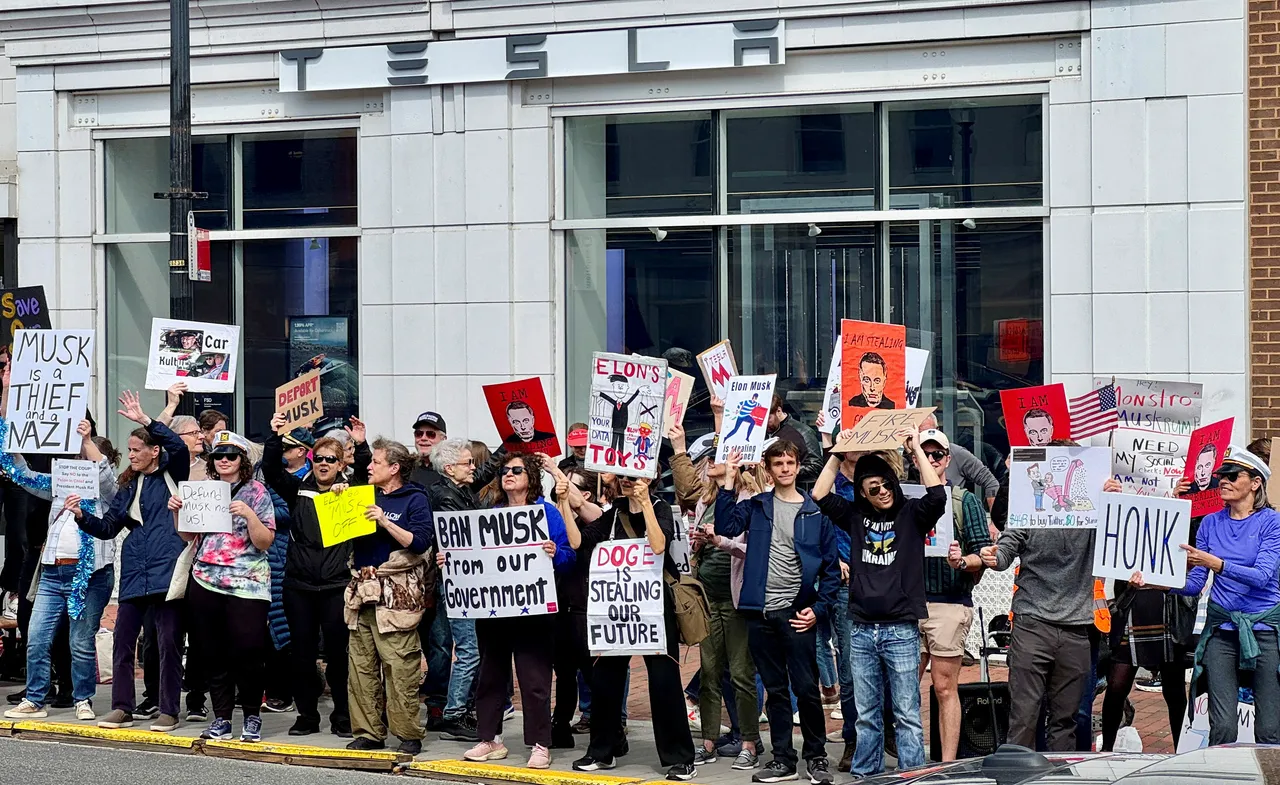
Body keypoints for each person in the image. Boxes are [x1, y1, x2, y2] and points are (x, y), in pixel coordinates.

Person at [812, 427, 946, 777]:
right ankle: (864, 776)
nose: (883, 492)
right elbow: (819, 493)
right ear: (863, 493)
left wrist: (916, 449)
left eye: (887, 484)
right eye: (874, 488)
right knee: (866, 713)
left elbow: (937, 495)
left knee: (906, 714)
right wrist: (839, 453)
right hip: (861, 629)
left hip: (900, 628)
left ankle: (912, 777)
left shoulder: (911, 514)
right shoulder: (855, 516)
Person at [1132, 444, 1280, 745]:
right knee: (1222, 725)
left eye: (1232, 475)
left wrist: (1215, 563)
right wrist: (1157, 582)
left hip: (1264, 630)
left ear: (1255, 483)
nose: (1222, 480)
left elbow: (1262, 577)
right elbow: (1195, 584)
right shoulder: (1211, 522)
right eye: (1221, 475)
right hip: (1222, 630)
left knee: (1269, 728)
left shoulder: (1271, 522)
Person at [716, 440, 840, 784]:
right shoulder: (757, 506)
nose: (785, 468)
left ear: (798, 466)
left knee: (805, 688)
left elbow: (831, 571)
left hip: (798, 613)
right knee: (775, 690)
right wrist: (729, 479)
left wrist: (817, 608)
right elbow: (726, 526)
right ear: (768, 470)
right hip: (761, 612)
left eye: (790, 462)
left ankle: (816, 756)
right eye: (778, 463)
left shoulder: (815, 513)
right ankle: (782, 758)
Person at [69, 391, 190, 731]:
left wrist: (147, 419)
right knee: (123, 642)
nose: (132, 455)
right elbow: (109, 528)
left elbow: (178, 448)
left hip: (168, 571)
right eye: (131, 450)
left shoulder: (172, 471)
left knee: (167, 644)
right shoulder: (129, 485)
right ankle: (122, 706)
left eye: (138, 450)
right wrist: (81, 515)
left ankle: (169, 710)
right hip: (135, 572)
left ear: (155, 452)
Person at [570, 474, 696, 782]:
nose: (627, 481)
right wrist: (563, 501)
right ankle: (602, 750)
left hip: (653, 610)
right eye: (623, 477)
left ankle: (680, 758)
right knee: (605, 680)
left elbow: (658, 545)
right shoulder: (613, 514)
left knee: (664, 682)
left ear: (649, 478)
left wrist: (644, 504)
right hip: (616, 612)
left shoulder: (661, 508)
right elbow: (577, 541)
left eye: (634, 477)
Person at [457, 453, 575, 768]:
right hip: (494, 610)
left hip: (534, 610)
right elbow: (471, 557)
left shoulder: (546, 513)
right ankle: (490, 739)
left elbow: (568, 556)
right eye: (505, 470)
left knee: (534, 678)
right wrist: (451, 560)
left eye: (517, 470)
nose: (508, 474)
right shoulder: (491, 514)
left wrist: (554, 552)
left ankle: (540, 743)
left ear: (531, 478)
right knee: (491, 675)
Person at [979, 441, 1097, 751]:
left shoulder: (1093, 515)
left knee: (1065, 721)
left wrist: (1111, 498)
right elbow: (1006, 550)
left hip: (1076, 628)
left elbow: (1121, 543)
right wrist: (994, 556)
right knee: (1024, 717)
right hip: (1033, 625)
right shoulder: (1027, 512)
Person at [263, 412, 370, 738]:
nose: (323, 464)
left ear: (340, 464)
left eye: (330, 460)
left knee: (338, 657)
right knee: (302, 655)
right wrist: (275, 435)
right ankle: (307, 717)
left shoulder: (351, 491)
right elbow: (271, 470)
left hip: (337, 586)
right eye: (319, 458)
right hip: (299, 586)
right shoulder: (298, 489)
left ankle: (342, 718)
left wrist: (362, 445)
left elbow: (366, 476)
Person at [2, 421, 118, 722]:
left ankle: (83, 699)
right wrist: (8, 433)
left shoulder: (108, 493)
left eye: (83, 459)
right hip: (53, 574)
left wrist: (86, 440)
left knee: (79, 641)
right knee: (38, 637)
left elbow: (104, 475)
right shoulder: (60, 487)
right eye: (75, 459)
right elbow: (23, 475)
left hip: (89, 576)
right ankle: (35, 699)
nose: (77, 464)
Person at [168, 430, 276, 743]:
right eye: (219, 456)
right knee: (211, 652)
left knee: (249, 651)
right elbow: (188, 536)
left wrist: (249, 515)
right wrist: (177, 513)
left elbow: (265, 540)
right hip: (206, 579)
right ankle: (222, 717)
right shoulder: (203, 490)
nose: (225, 460)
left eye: (231, 455)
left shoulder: (257, 492)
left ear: (243, 460)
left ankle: (252, 715)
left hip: (247, 581)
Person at [343, 438, 434, 755]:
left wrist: (383, 520)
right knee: (361, 667)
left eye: (376, 462)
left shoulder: (415, 499)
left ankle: (408, 733)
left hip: (396, 594)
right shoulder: (365, 495)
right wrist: (339, 501)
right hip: (362, 591)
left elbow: (420, 542)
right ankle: (368, 732)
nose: (368, 466)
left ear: (394, 468)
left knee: (400, 666)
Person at [911, 429, 991, 762]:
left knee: (945, 688)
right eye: (924, 455)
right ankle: (911, 759)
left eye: (937, 455)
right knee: (903, 691)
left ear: (947, 459)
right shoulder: (906, 497)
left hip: (949, 601)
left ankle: (946, 763)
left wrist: (963, 561)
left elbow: (984, 554)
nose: (931, 460)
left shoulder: (964, 500)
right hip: (909, 602)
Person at [1099, 475, 1196, 751]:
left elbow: (1191, 548)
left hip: (1165, 605)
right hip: (1131, 602)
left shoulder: (1179, 510)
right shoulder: (1121, 512)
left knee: (1174, 690)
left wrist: (1180, 501)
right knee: (1117, 686)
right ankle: (1106, 750)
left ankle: (1180, 752)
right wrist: (1107, 497)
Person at [424, 438, 484, 743]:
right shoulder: (446, 496)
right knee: (468, 649)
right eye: (468, 463)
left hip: (463, 579)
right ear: (450, 468)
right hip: (456, 582)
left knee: (464, 648)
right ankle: (453, 714)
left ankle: (454, 709)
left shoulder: (461, 491)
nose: (473, 467)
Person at [765, 395, 823, 486]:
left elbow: (816, 468)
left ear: (779, 411)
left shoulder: (803, 432)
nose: (763, 424)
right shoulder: (761, 431)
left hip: (797, 491)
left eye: (767, 418)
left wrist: (787, 469)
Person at [598, 375, 640, 458]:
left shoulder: (625, 404)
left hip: (622, 428)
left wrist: (638, 391)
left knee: (621, 445)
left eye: (623, 387)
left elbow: (632, 398)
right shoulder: (615, 403)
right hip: (615, 427)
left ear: (627, 388)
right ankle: (611, 460)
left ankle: (621, 461)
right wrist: (600, 394)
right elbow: (608, 398)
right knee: (613, 445)